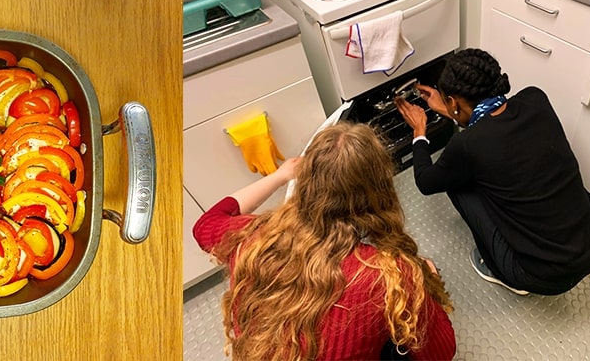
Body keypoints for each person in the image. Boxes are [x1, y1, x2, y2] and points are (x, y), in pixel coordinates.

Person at [193, 123, 456, 361]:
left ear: (306, 184)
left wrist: (280, 176)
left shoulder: (253, 237)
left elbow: (205, 224)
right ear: (380, 191)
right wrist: (424, 285)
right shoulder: (390, 277)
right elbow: (442, 353)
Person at [394, 48, 590, 296]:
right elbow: (489, 126)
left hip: (543, 276)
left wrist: (419, 131)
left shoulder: (467, 145)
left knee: (455, 181)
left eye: (449, 102)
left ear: (453, 100)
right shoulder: (534, 98)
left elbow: (425, 181)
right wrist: (451, 110)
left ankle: (504, 273)